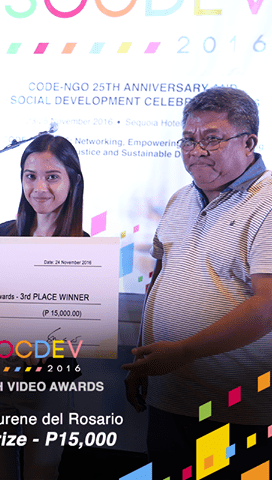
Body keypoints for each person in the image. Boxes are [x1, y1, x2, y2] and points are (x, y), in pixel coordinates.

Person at [123, 87, 272, 479]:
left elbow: (267, 307)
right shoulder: (180, 199)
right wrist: (143, 364)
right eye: (188, 140)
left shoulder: (268, 203)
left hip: (234, 408)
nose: (197, 150)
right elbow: (159, 283)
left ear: (249, 142)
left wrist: (183, 351)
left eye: (212, 139)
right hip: (170, 398)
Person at [0, 134, 87, 480]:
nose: (39, 187)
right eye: (30, 176)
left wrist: (48, 346)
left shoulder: (85, 249)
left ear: (72, 181)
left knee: (41, 472)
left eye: (52, 176)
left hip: (47, 383)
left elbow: (84, 328)